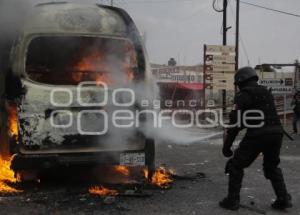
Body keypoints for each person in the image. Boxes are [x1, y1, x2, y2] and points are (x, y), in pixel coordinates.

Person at [219, 67, 292, 211]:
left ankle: (232, 201)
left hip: (258, 135)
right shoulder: (266, 92)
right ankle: (283, 199)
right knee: (271, 167)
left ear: (240, 81)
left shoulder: (243, 95)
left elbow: (235, 124)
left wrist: (226, 147)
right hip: (276, 133)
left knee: (235, 165)